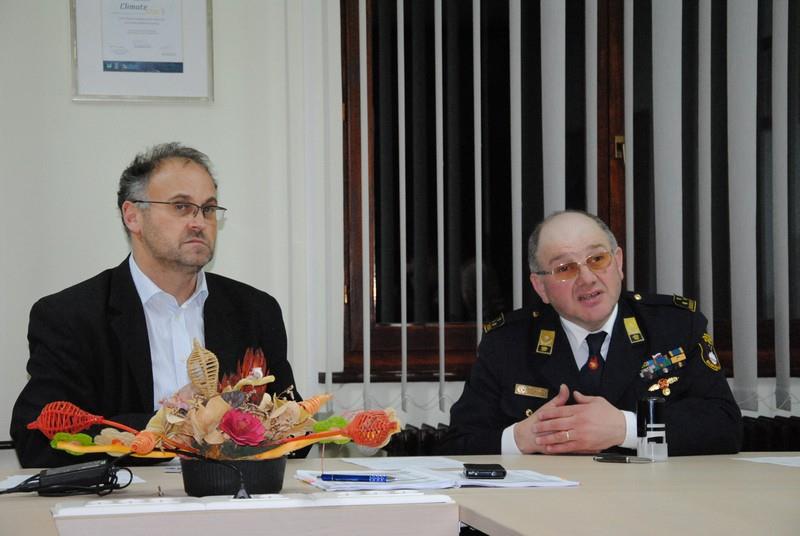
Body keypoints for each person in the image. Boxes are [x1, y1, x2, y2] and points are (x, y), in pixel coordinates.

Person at [10, 143, 303, 467]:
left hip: (230, 492)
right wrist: (172, 424)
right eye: (181, 207)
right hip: (126, 495)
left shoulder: (254, 311)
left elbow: (295, 433)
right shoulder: (71, 316)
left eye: (208, 209)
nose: (199, 222)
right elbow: (37, 439)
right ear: (132, 216)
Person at [439, 210, 742, 456]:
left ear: (618, 263)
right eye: (565, 268)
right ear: (540, 287)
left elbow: (725, 426)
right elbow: (458, 442)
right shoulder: (507, 343)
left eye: (597, 260)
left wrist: (628, 428)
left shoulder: (675, 326)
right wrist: (522, 438)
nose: (587, 278)